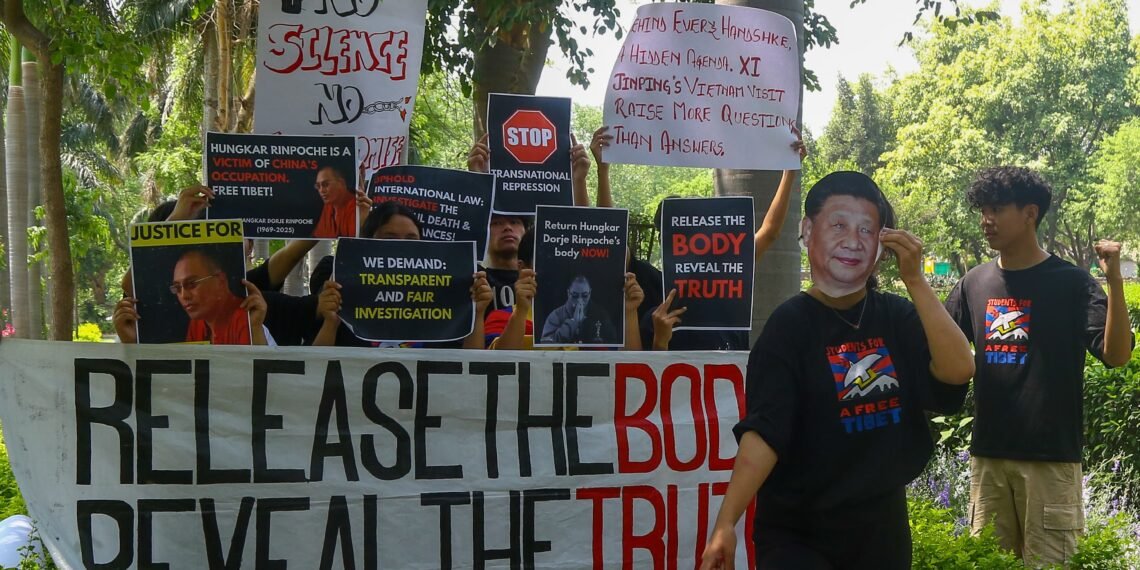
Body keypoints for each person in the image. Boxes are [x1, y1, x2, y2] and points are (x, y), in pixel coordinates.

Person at [699, 171, 974, 569]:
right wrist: (727, 521)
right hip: (799, 534)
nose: (852, 240)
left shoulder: (896, 316)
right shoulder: (789, 326)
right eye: (839, 225)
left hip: (881, 529)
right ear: (807, 230)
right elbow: (765, 431)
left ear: (882, 245)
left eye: (867, 229)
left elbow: (957, 370)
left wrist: (914, 279)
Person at [944, 166, 1133, 566]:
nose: (986, 220)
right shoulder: (972, 284)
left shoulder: (1073, 283)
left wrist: (1114, 281)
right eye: (982, 209)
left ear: (1030, 213)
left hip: (1050, 461)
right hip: (988, 458)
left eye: (997, 208)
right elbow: (942, 351)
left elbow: (1116, 356)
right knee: (986, 564)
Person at [312, 201, 492, 349]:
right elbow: (316, 373)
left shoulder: (449, 296)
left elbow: (473, 370)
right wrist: (331, 321)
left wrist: (475, 313)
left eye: (411, 240)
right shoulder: (337, 278)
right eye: (389, 239)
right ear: (366, 242)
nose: (401, 248)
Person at [466, 132, 593, 312]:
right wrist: (477, 178)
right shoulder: (475, 278)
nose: (507, 227)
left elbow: (580, 239)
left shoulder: (548, 277)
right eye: (496, 223)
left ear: (527, 229)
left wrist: (578, 180)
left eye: (514, 221)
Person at [486, 226, 643, 350]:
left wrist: (629, 312)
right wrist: (521, 311)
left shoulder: (600, 320)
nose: (562, 270)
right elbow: (495, 370)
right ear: (523, 268)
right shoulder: (501, 318)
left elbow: (632, 368)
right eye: (551, 261)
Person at [114, 248, 271, 345]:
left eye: (192, 284)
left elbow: (267, 384)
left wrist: (255, 331)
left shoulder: (247, 320)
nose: (184, 296)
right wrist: (131, 346)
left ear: (221, 281)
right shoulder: (199, 323)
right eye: (177, 288)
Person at [539, 275, 618, 344]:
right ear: (568, 293)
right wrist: (572, 323)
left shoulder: (601, 314)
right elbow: (545, 343)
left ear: (590, 293)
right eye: (574, 295)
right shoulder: (556, 315)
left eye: (585, 295)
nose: (579, 300)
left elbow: (613, 342)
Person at [311, 164, 357, 239]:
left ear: (341, 183)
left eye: (325, 184)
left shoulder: (355, 206)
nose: (321, 190)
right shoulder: (329, 205)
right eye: (318, 186)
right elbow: (319, 235)